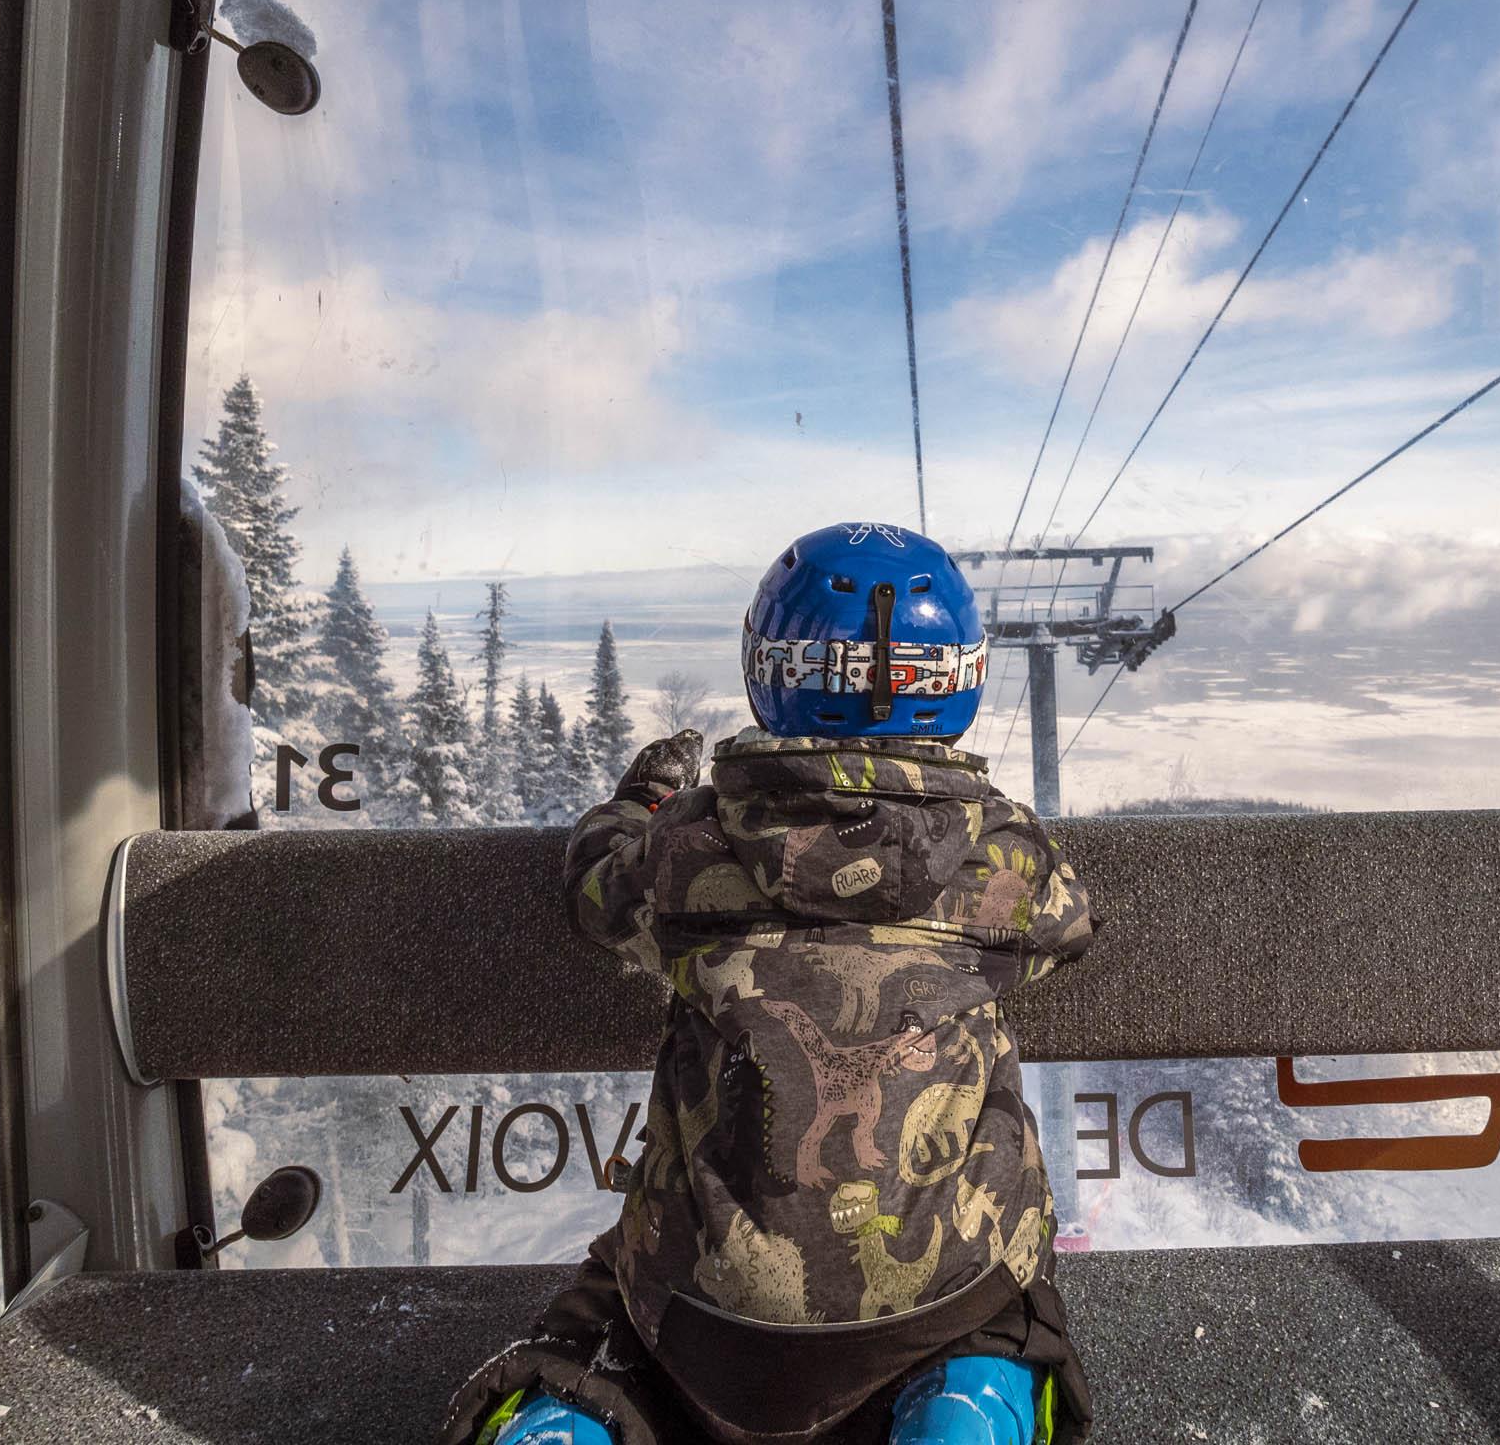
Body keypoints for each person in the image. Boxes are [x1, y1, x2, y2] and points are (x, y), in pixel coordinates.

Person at [441, 522, 1097, 1445]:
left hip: (712, 1318)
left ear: (772, 669)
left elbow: (597, 887)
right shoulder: (1002, 858)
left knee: (603, 1336)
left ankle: (568, 1420)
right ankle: (968, 1405)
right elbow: (1069, 927)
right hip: (941, 1295)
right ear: (958, 679)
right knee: (997, 1305)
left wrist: (637, 807)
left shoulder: (685, 854)